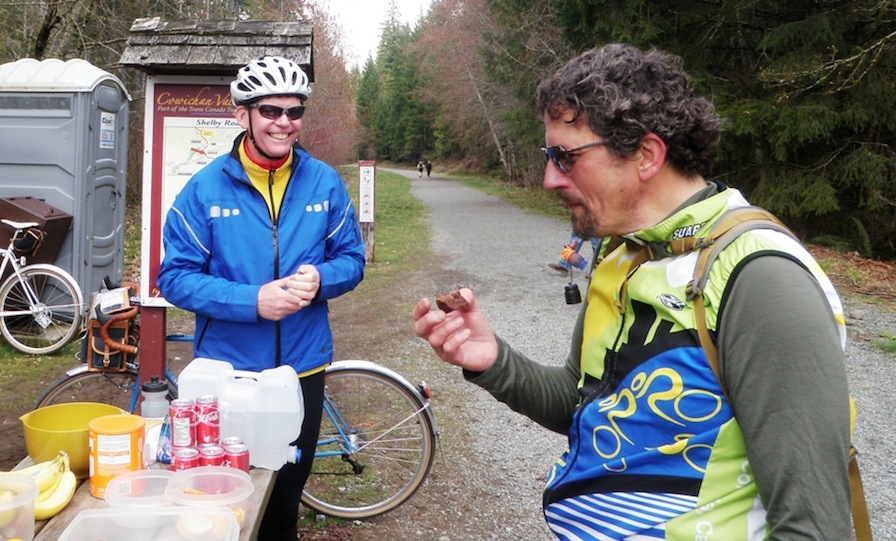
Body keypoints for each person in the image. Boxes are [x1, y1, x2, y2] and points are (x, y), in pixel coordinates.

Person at [412, 44, 852, 539]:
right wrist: (493, 360)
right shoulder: (624, 253)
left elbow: (815, 527)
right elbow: (586, 405)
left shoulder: (761, 280)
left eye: (565, 157)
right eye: (548, 156)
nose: (549, 178)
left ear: (645, 155)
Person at [158, 55, 366, 541]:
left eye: (294, 112)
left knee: (285, 499)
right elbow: (176, 278)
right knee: (223, 497)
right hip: (228, 374)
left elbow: (352, 259)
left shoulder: (323, 182)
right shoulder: (204, 189)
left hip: (301, 370)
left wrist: (321, 279)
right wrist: (253, 301)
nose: (283, 123)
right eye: (270, 111)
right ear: (242, 115)